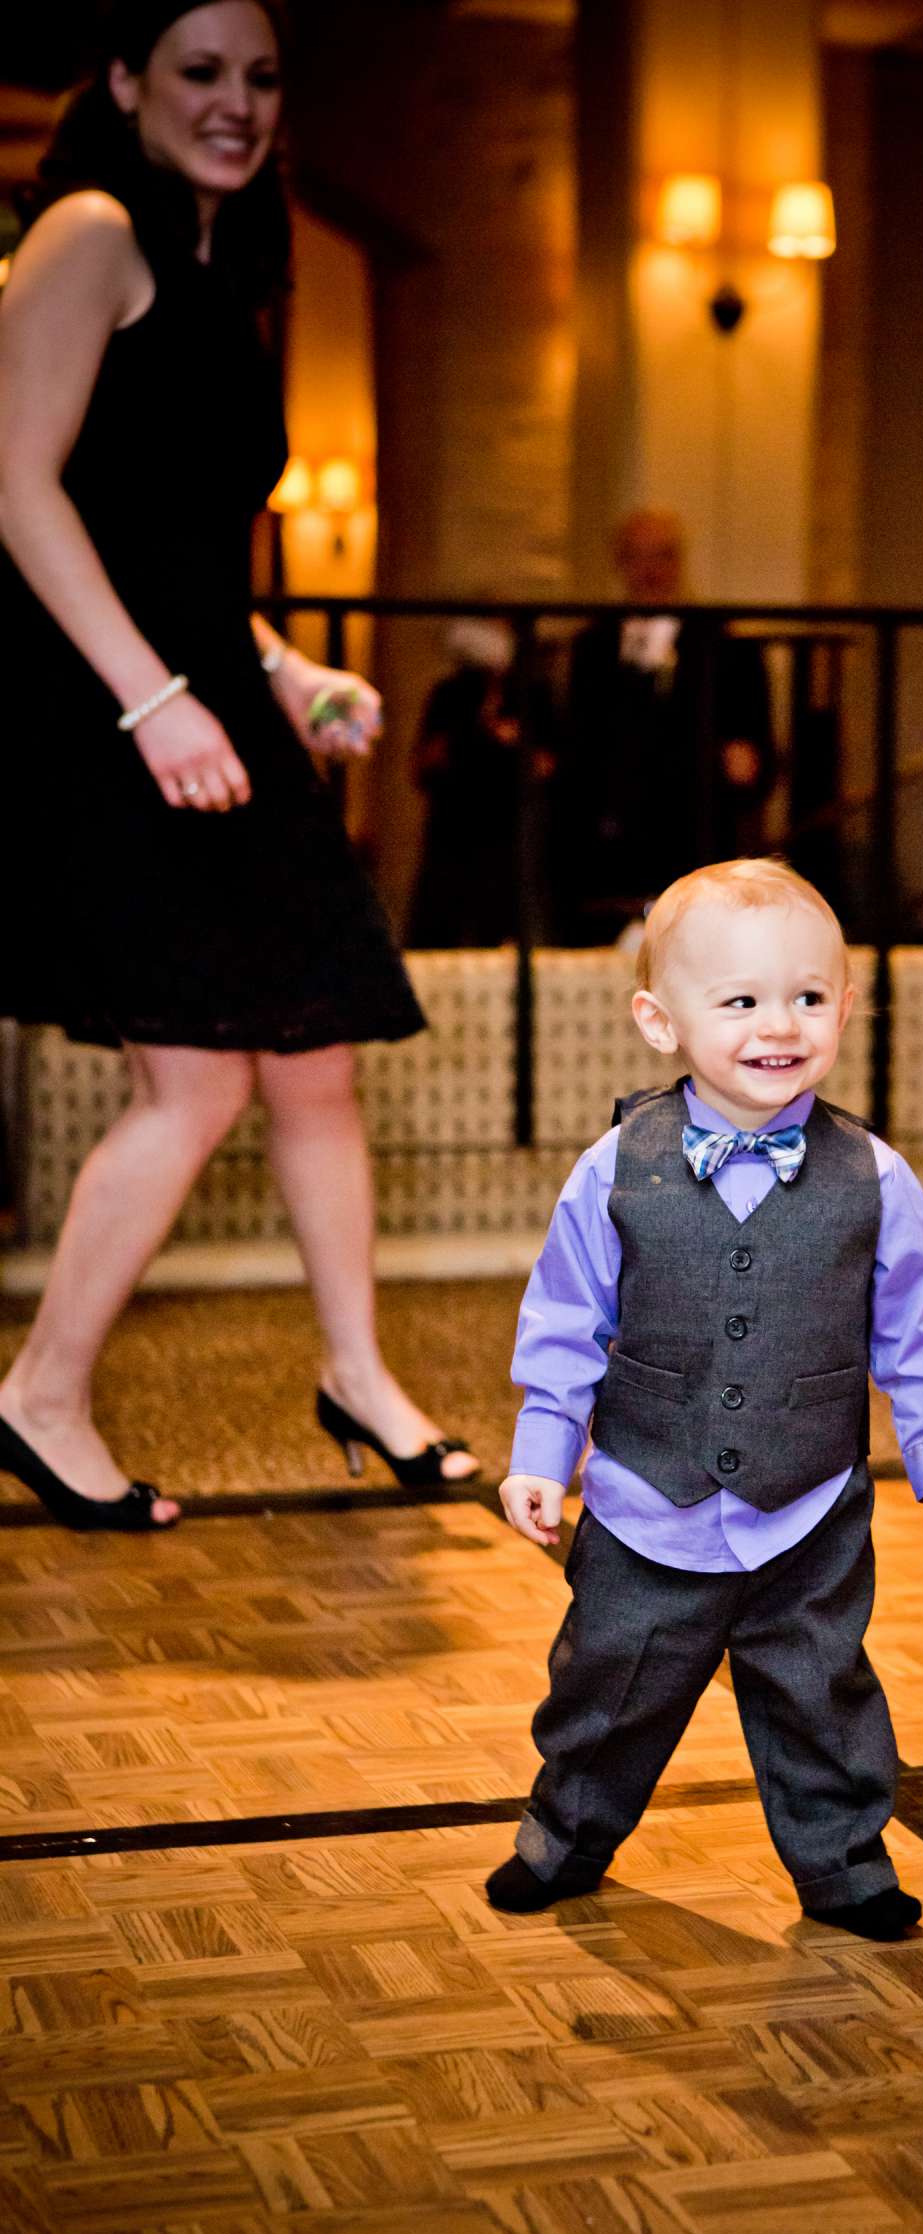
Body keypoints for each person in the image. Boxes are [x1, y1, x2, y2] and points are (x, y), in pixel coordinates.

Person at [0, 1, 479, 1529]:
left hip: (206, 695)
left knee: (316, 1061)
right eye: (199, 72)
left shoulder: (226, 266)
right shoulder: (88, 229)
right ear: (126, 78)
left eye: (263, 77)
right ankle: (39, 1396)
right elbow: (15, 491)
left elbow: (170, 538)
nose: (237, 103)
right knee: (197, 1076)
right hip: (110, 712)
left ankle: (357, 1374)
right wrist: (155, 704)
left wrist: (281, 668)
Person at [487, 858, 923, 1938]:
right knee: (604, 1693)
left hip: (808, 1509)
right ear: (659, 1021)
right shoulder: (615, 1167)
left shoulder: (877, 1177)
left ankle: (846, 1867)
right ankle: (563, 1837)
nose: (781, 1025)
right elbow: (566, 1319)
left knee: (822, 1698)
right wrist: (541, 1450)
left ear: (846, 1008)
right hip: (642, 1501)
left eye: (809, 998)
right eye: (742, 1001)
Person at [553, 509, 776, 943]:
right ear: (620, 565)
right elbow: (577, 745)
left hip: (695, 844)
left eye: (663, 557)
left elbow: (760, 756)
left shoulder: (727, 648)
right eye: (638, 558)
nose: (651, 571)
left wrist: (746, 764)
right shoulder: (592, 647)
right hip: (608, 858)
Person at [407, 618, 524, 949]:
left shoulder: (525, 693)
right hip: (452, 831)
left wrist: (513, 741)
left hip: (504, 837)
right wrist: (465, 735)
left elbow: (549, 765)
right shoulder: (450, 695)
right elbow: (422, 764)